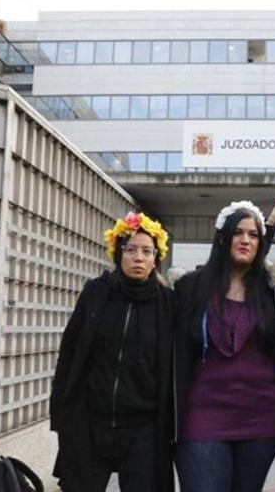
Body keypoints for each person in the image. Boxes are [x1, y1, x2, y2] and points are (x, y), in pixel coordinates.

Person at [173, 200, 275, 492]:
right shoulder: (190, 287)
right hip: (202, 415)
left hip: (261, 419)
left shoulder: (273, 290)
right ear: (223, 238)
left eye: (253, 235)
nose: (245, 240)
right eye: (238, 233)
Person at [50, 211, 174, 492]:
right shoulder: (96, 292)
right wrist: (61, 413)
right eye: (131, 250)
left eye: (147, 251)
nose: (138, 257)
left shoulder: (168, 304)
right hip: (89, 421)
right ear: (119, 254)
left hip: (144, 427)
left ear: (156, 258)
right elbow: (69, 352)